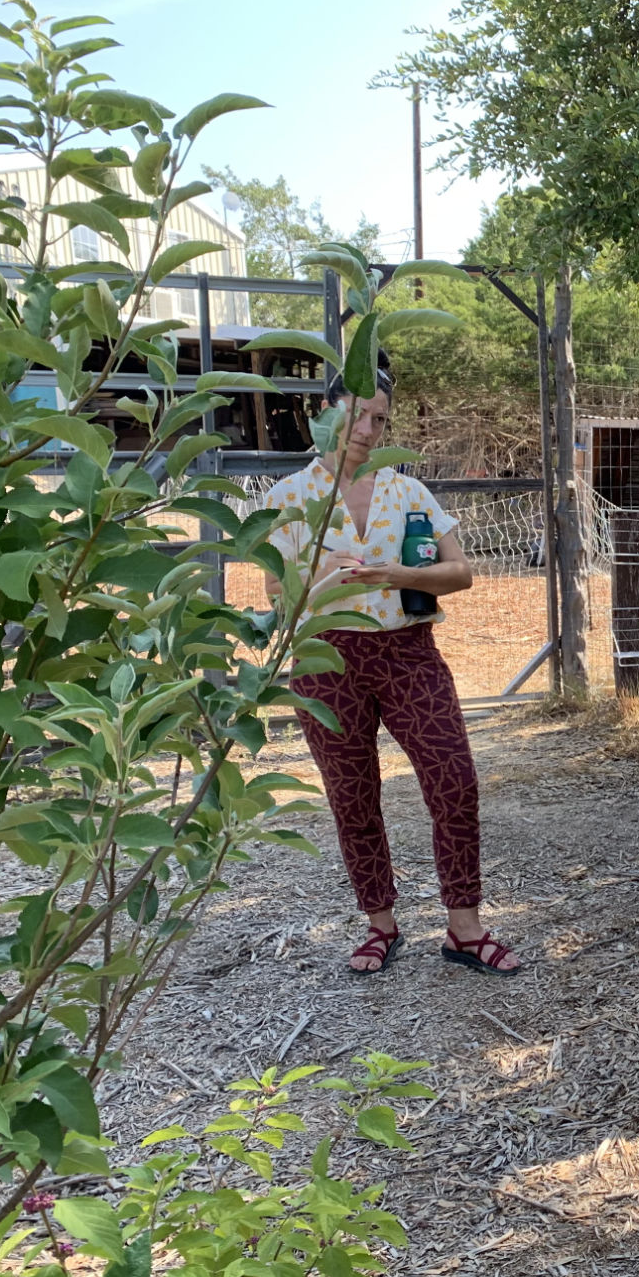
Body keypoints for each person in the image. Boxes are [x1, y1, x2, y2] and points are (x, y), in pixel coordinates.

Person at [263, 374, 522, 977]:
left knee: (454, 780)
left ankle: (464, 927)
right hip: (326, 658)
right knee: (352, 795)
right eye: (355, 414)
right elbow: (274, 588)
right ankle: (380, 924)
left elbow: (460, 572)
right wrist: (322, 570)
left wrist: (396, 576)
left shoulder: (409, 492)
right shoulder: (291, 496)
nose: (367, 429)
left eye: (379, 419)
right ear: (325, 412)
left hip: (408, 653)